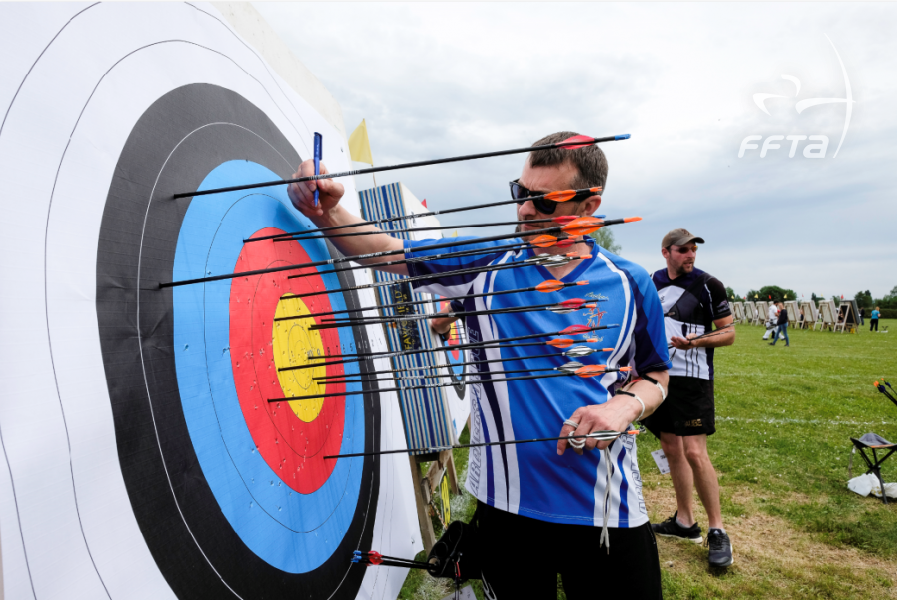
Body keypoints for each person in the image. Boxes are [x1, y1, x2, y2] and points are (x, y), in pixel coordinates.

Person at [287, 132, 671, 599]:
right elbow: (382, 250)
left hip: (606, 511)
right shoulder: (484, 261)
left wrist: (623, 408)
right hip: (506, 511)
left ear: (590, 206)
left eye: (544, 202)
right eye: (520, 193)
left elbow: (656, 376)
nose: (526, 210)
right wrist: (324, 209)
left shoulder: (630, 282)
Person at [642, 228, 735, 568]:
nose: (690, 255)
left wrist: (694, 343)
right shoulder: (650, 281)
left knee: (695, 452)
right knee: (671, 448)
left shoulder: (709, 285)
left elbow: (728, 333)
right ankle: (684, 522)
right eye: (683, 250)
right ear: (666, 252)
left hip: (693, 379)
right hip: (659, 375)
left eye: (693, 250)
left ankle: (717, 530)